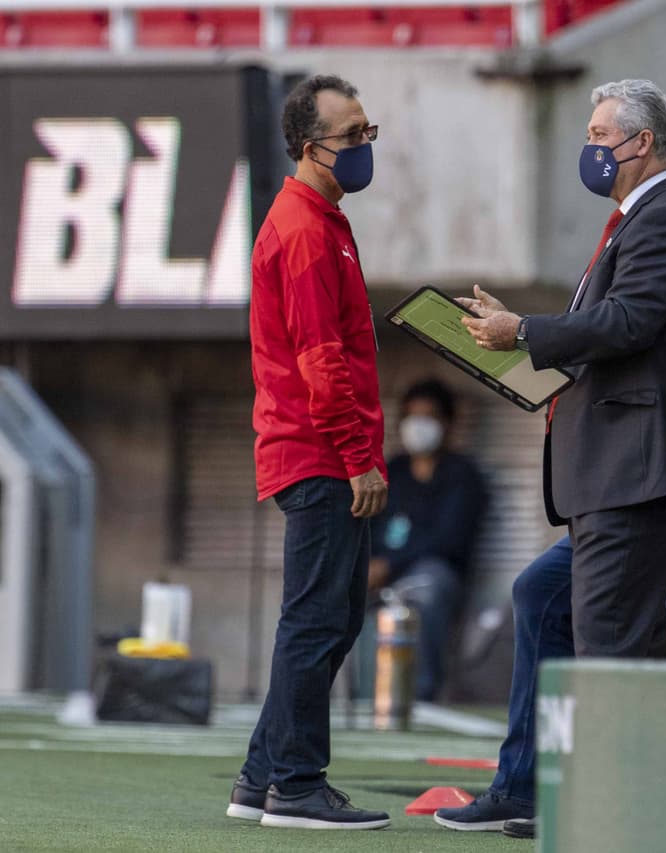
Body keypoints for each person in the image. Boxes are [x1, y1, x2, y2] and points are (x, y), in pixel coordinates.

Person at [434, 122, 666, 837]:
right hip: (636, 482)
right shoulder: (649, 231)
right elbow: (608, 332)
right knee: (542, 597)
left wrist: (604, 368)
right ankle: (527, 786)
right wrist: (550, 348)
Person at [226, 74, 390, 831]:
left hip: (318, 448)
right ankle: (295, 785)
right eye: (350, 135)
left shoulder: (320, 220)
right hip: (319, 451)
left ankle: (262, 776)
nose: (363, 146)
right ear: (305, 146)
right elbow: (321, 359)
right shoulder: (304, 229)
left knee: (331, 617)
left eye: (367, 131)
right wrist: (358, 455)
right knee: (318, 620)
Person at [370, 380, 489, 702]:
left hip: (432, 576)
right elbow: (369, 525)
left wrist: (389, 565)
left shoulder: (463, 475)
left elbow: (448, 540)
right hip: (380, 574)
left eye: (429, 417)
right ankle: (350, 699)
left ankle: (419, 697)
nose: (418, 425)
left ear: (447, 423)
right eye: (412, 416)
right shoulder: (392, 470)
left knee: (426, 591)